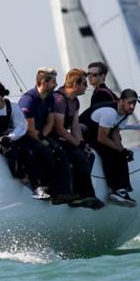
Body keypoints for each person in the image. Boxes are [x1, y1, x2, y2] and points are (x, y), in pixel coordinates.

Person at [18, 67, 78, 204]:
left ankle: (64, 192)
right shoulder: (29, 100)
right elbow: (29, 129)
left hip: (40, 135)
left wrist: (44, 138)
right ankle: (51, 191)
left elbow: (50, 122)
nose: (56, 84)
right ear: (44, 83)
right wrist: (41, 141)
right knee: (47, 152)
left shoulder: (50, 98)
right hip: (26, 137)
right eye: (53, 82)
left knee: (60, 150)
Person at [50, 69, 104, 209]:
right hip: (51, 137)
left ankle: (80, 192)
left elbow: (74, 127)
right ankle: (86, 195)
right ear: (75, 84)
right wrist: (77, 145)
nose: (87, 86)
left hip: (63, 137)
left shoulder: (75, 102)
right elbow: (59, 129)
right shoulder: (59, 99)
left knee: (89, 155)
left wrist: (82, 144)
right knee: (78, 156)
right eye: (84, 84)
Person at [80, 89, 138, 206]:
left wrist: (122, 150)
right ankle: (115, 189)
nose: (132, 106)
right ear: (121, 101)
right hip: (83, 132)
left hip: (96, 133)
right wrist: (118, 149)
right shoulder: (110, 113)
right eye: (130, 103)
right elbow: (102, 138)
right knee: (109, 152)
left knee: (121, 154)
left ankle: (121, 190)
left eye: (134, 103)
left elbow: (115, 133)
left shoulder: (125, 113)